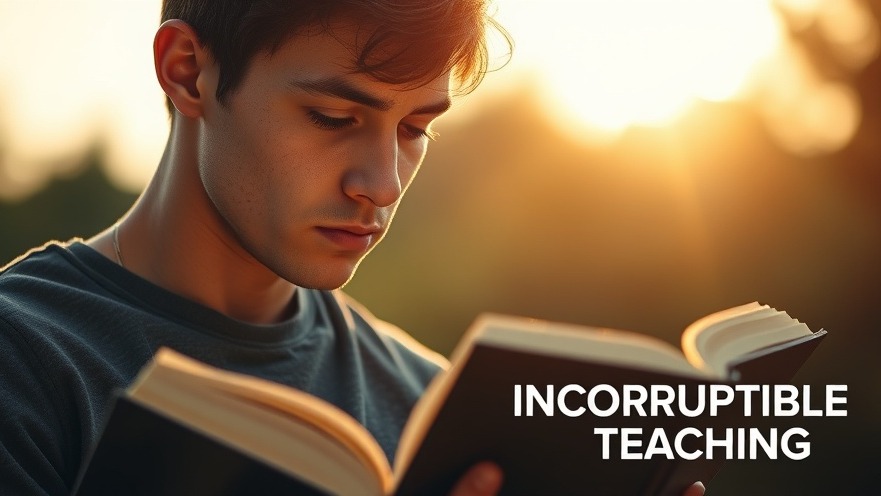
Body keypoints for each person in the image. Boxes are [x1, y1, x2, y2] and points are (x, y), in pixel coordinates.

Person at [0, 1, 706, 495]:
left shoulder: (432, 409)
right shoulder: (27, 361)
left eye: (414, 129)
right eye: (334, 117)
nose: (383, 184)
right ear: (187, 72)